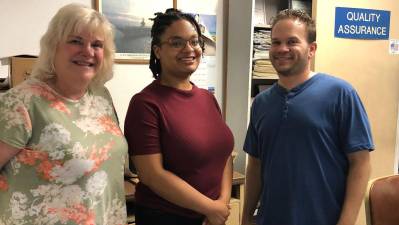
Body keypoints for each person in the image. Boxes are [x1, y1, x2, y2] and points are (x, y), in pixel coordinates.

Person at [241, 9, 374, 225]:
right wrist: (246, 216)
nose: (282, 49)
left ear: (311, 49)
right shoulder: (261, 103)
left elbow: (360, 163)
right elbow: (255, 164)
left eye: (292, 41)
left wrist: (347, 221)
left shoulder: (340, 93)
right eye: (276, 42)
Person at [0, 4, 127, 225]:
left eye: (97, 45)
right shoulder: (21, 102)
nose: (88, 51)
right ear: (53, 46)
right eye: (76, 41)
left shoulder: (101, 96)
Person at [124, 8, 234, 225]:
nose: (189, 49)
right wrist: (210, 207)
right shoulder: (145, 104)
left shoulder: (207, 98)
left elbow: (225, 154)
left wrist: (221, 203)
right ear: (157, 50)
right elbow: (152, 175)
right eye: (176, 43)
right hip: (167, 218)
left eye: (194, 41)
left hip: (211, 216)